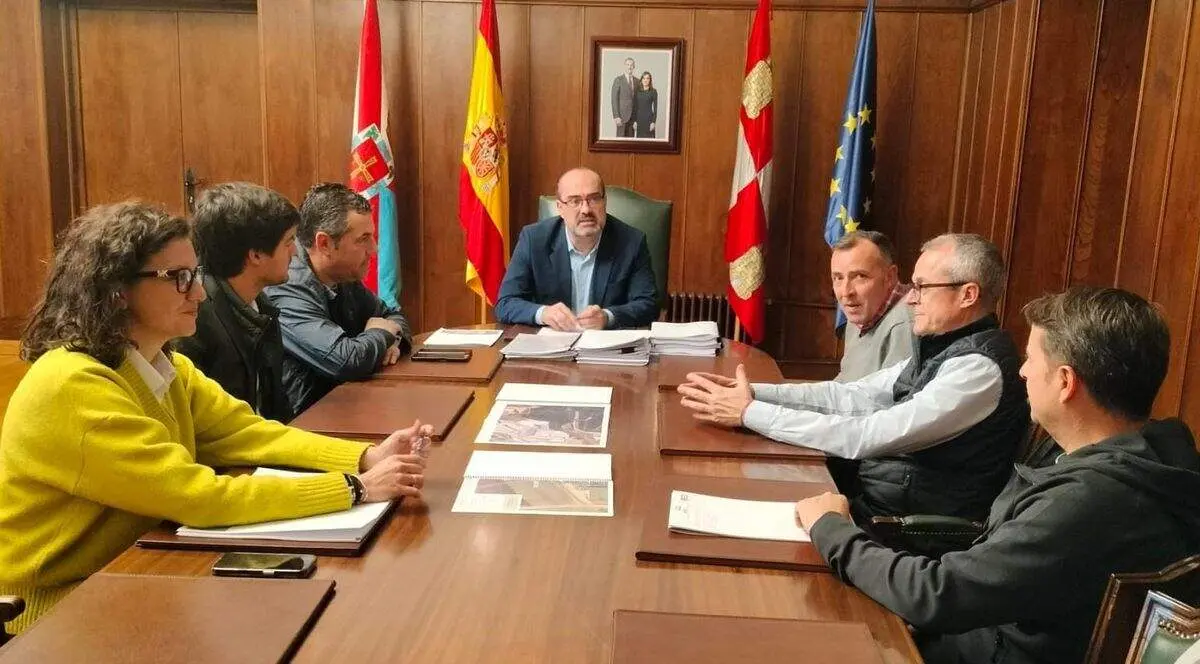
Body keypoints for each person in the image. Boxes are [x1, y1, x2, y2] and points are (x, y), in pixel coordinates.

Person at [0, 202, 429, 634]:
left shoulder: (163, 365)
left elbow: (248, 434)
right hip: (50, 614)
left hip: (133, 575)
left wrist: (364, 456)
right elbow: (198, 497)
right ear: (116, 290)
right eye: (179, 279)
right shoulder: (72, 385)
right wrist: (353, 488)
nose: (200, 293)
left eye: (196, 274)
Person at [795, 287, 1200, 664]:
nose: (1022, 373)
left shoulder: (1091, 500)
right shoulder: (1159, 454)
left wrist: (831, 528)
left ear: (1064, 383)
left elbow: (938, 596)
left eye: (1031, 360)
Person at [678, 233, 1028, 524]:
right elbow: (850, 396)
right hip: (875, 497)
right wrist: (755, 394)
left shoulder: (978, 370)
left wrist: (748, 413)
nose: (911, 300)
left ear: (968, 294)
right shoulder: (943, 346)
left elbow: (868, 436)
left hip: (899, 527)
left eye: (921, 287)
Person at [265, 183, 412, 415]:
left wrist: (392, 340)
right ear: (324, 244)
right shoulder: (287, 285)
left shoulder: (343, 275)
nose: (374, 249)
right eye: (363, 239)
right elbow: (346, 360)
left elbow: (391, 316)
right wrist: (382, 334)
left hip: (344, 407)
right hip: (304, 423)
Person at [175, 182, 297, 422]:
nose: (295, 252)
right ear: (256, 255)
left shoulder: (263, 309)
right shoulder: (194, 319)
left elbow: (278, 409)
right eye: (289, 241)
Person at [493, 167, 658, 330]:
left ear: (605, 202)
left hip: (604, 349)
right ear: (560, 208)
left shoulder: (631, 242)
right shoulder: (533, 239)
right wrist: (544, 313)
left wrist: (608, 317)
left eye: (594, 199)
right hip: (551, 347)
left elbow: (648, 305)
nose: (586, 209)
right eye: (575, 201)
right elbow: (505, 303)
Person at [830, 230, 913, 382]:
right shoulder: (861, 311)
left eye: (860, 276)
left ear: (890, 277)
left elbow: (890, 400)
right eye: (838, 278)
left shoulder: (906, 322)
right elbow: (845, 383)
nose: (846, 292)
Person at [611, 57, 637, 138]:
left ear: (634, 67)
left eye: (631, 65)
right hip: (621, 117)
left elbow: (638, 101)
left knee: (631, 144)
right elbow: (614, 99)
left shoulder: (637, 81)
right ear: (624, 66)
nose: (629, 67)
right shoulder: (618, 80)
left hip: (633, 118)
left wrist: (637, 119)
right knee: (620, 142)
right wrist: (616, 116)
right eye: (628, 65)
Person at [634, 71, 658, 139]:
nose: (645, 80)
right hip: (639, 120)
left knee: (650, 143)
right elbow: (635, 107)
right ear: (641, 80)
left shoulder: (653, 91)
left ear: (650, 80)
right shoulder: (637, 91)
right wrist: (635, 121)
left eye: (647, 78)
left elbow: (655, 108)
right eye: (644, 78)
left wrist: (653, 122)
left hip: (649, 120)